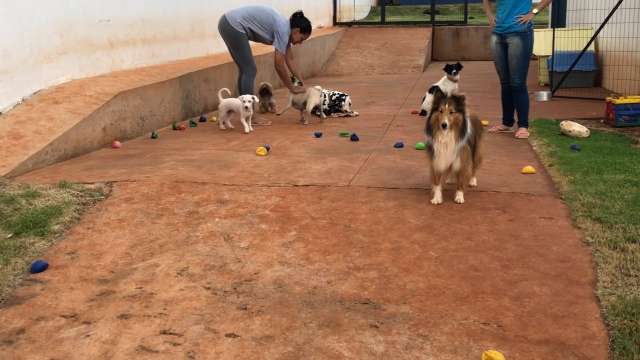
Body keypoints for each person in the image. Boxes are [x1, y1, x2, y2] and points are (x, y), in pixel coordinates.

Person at [483, 0, 552, 139]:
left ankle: (523, 126)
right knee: (505, 82)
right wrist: (490, 15)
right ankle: (506, 123)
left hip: (519, 33)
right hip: (498, 34)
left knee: (517, 82)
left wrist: (533, 12)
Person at [218, 6, 311, 98]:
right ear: (296, 31)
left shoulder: (285, 28)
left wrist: (302, 84)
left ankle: (244, 107)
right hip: (232, 25)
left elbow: (290, 60)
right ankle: (248, 109)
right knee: (249, 70)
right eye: (302, 38)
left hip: (228, 22)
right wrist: (292, 88)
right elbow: (279, 65)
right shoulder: (283, 31)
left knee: (245, 70)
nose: (300, 43)